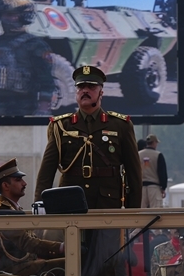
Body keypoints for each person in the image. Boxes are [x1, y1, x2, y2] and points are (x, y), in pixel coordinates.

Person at [35, 65, 143, 210]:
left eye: (91, 86)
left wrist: (134, 210)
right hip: (70, 203)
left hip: (107, 204)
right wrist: (40, 204)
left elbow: (133, 172)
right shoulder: (61, 126)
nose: (85, 90)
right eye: (81, 87)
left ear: (101, 92)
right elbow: (46, 172)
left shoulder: (120, 125)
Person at [0, 0, 56, 117]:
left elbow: (46, 79)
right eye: (3, 15)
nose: (3, 19)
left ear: (25, 17)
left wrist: (43, 109)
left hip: (20, 106)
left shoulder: (35, 45)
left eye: (9, 15)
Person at [0, 159, 65, 276]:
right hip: (12, 270)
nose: (24, 183)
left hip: (21, 264)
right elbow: (26, 242)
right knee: (72, 264)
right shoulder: (4, 211)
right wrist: (61, 247)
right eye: (18, 180)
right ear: (6, 185)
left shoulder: (11, 208)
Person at [139, 134, 168, 208]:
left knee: (141, 212)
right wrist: (163, 187)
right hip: (154, 187)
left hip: (141, 188)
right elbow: (162, 173)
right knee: (155, 213)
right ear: (154, 142)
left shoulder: (138, 154)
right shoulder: (158, 155)